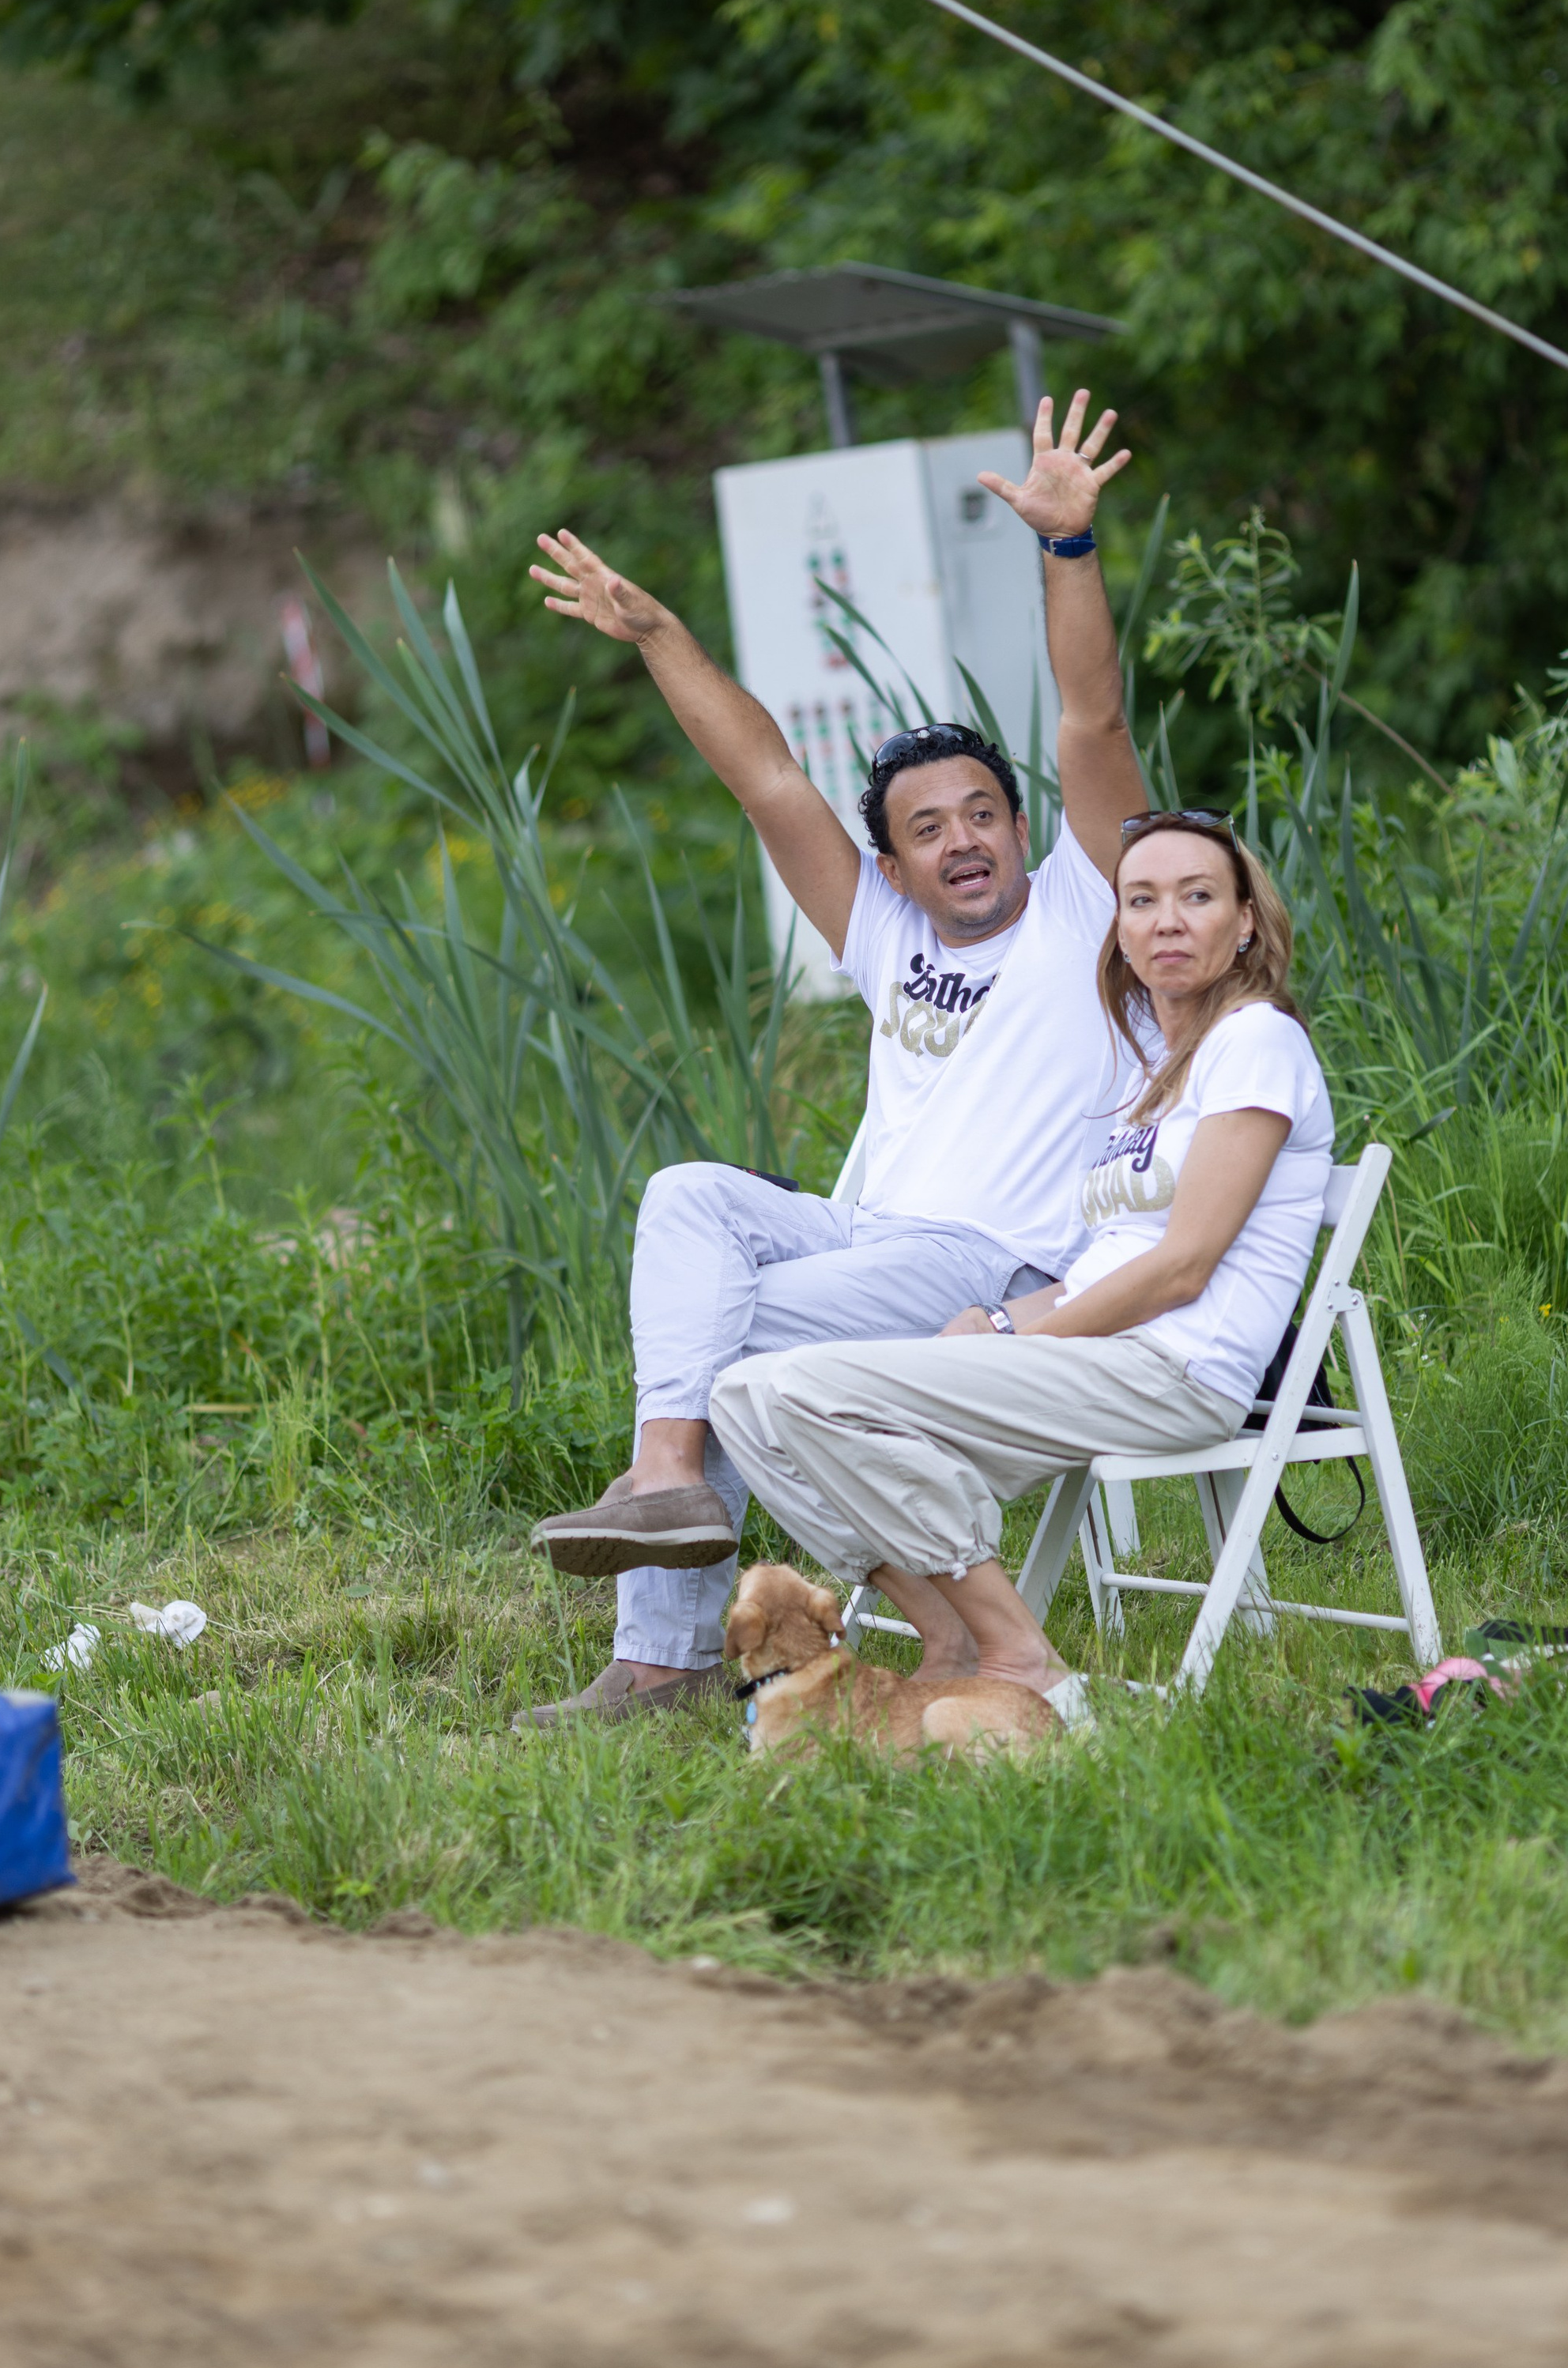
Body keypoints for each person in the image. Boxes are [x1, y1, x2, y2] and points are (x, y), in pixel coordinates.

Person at [518, 390, 1152, 1728]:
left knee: (722, 1332)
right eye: (930, 826)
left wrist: (1068, 551)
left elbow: (1092, 725)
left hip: (992, 1260)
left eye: (985, 811)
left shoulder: (1095, 911)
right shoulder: (884, 929)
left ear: (1022, 826)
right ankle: (667, 1474)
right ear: (895, 861)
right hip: (872, 1238)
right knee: (687, 1194)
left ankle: (663, 1651)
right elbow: (767, 779)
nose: (965, 838)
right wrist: (657, 634)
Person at [707, 809, 1334, 1701]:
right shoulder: (1157, 1079)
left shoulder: (1255, 1040)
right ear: (1117, 926)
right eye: (1141, 899)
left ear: (1243, 922)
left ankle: (1017, 1656)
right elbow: (1102, 1268)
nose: (1166, 919)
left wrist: (1024, 1347)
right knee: (743, 1397)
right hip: (1102, 1352)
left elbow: (1181, 1268)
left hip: (1178, 1369)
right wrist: (998, 1320)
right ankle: (949, 1637)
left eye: (1197, 897)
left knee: (799, 1393)